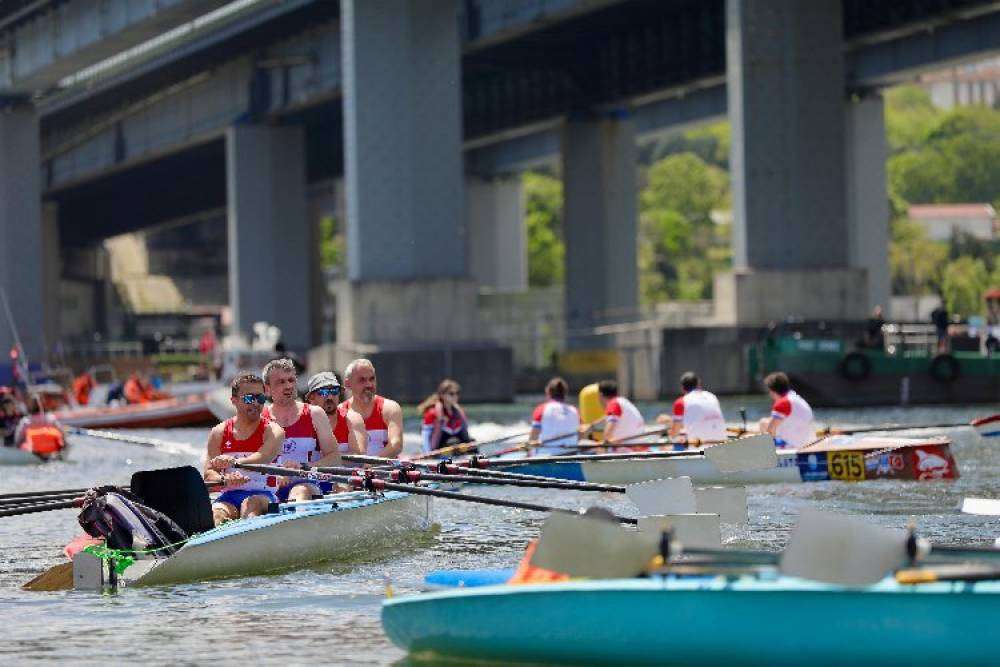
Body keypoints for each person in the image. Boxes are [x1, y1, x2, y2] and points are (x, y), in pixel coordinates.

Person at [204, 373, 285, 524]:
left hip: (264, 496)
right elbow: (209, 473)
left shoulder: (274, 431)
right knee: (216, 514)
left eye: (260, 398)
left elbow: (263, 457)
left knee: (249, 504)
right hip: (229, 496)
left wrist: (233, 462)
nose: (255, 403)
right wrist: (224, 479)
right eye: (249, 398)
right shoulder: (218, 433)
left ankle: (246, 536)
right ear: (233, 401)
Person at [262, 358, 342, 503]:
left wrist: (304, 467)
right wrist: (274, 475)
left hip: (309, 485)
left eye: (291, 380)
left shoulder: (315, 414)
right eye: (281, 382)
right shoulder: (260, 419)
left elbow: (334, 457)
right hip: (270, 488)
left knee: (299, 491)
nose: (288, 386)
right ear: (267, 389)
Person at [341, 358, 403, 458]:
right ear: (348, 384)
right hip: (353, 471)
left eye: (372, 379)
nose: (369, 384)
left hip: (384, 470)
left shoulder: (390, 408)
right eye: (362, 380)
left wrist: (370, 465)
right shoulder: (340, 412)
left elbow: (396, 445)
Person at [304, 371, 366, 455]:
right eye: (323, 392)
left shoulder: (351, 419)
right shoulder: (300, 419)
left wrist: (328, 460)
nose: (330, 397)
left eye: (334, 391)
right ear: (311, 397)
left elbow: (358, 457)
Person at [659, 372, 726, 446]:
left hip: (698, 447)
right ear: (698, 384)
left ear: (682, 388)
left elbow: (674, 434)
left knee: (670, 443)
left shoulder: (680, 402)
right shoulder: (712, 397)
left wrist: (668, 432)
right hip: (721, 444)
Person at [760, 372, 816, 449]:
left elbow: (770, 431)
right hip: (809, 442)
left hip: (794, 446)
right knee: (766, 422)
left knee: (763, 423)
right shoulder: (795, 397)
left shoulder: (782, 403)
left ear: (772, 391)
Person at [528, 377, 580, 455]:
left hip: (547, 456)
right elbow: (581, 435)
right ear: (565, 393)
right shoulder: (575, 411)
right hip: (571, 455)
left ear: (548, 391)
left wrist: (528, 454)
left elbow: (533, 437)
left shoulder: (541, 409)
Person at [418, 379, 472, 453]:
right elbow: (425, 437)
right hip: (439, 452)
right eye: (451, 394)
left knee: (471, 442)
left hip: (457, 451)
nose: (455, 396)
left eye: (457, 393)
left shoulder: (459, 412)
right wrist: (428, 453)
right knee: (450, 442)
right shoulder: (432, 413)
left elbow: (465, 434)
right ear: (442, 395)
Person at [597, 380, 645, 446]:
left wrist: (603, 443)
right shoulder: (623, 401)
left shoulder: (613, 404)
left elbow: (607, 435)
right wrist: (591, 426)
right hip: (640, 444)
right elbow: (607, 417)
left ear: (600, 395)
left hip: (628, 448)